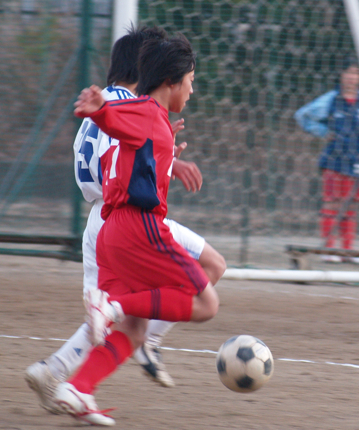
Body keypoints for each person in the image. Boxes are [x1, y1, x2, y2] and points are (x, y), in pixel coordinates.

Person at [25, 26, 226, 416]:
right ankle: (114, 311)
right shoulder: (142, 107)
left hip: (109, 226)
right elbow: (118, 121)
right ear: (170, 80)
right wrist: (100, 108)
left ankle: (78, 389)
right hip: (137, 226)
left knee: (132, 328)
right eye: (191, 81)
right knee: (206, 301)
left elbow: (120, 149)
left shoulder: (152, 117)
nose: (192, 90)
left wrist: (161, 156)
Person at [294, 56, 359, 264]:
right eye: (348, 72)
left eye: (356, 73)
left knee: (350, 205)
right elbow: (302, 115)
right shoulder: (331, 100)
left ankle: (347, 251)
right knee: (332, 203)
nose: (352, 77)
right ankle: (328, 249)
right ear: (341, 76)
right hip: (334, 158)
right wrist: (323, 131)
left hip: (358, 159)